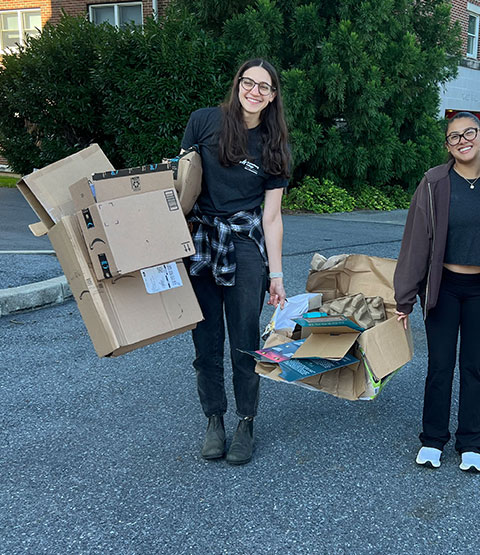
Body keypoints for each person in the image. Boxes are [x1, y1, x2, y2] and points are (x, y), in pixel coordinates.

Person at [393, 112, 480, 474]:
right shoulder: (435, 182)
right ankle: (433, 439)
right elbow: (416, 243)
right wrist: (404, 297)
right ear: (448, 145)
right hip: (445, 288)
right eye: (454, 137)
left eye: (469, 133)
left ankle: (472, 443)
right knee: (440, 365)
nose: (463, 140)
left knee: (474, 367)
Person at [181, 58, 290, 465]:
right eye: (249, 83)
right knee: (205, 341)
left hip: (244, 244)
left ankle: (246, 421)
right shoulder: (204, 122)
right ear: (238, 84)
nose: (255, 91)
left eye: (265, 87)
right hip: (200, 242)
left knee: (244, 342)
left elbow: (272, 216)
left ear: (273, 96)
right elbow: (182, 182)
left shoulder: (275, 144)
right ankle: (214, 420)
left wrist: (275, 274)